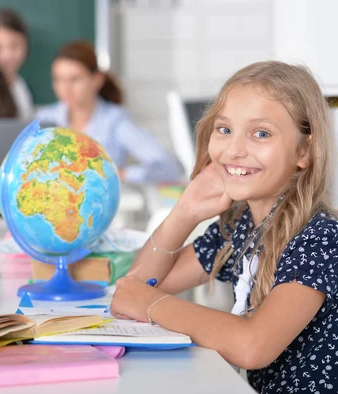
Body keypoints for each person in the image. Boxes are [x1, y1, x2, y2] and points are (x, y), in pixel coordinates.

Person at [110, 61, 337, 394]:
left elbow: (253, 345)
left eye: (261, 133)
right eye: (224, 129)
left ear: (303, 150)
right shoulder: (239, 228)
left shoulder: (321, 238)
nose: (234, 150)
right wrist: (186, 210)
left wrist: (149, 304)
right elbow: (139, 286)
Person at [35, 41, 182, 184]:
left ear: (97, 80)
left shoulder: (114, 121)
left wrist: (118, 174)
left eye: (75, 79)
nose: (65, 88)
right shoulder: (44, 119)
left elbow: (168, 167)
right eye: (59, 79)